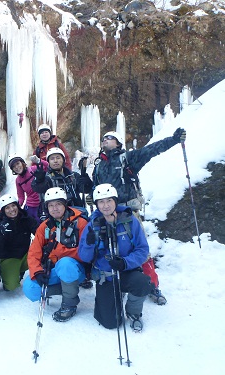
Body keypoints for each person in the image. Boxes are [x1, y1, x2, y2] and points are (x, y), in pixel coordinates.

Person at [91, 127, 186, 305]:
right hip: (105, 213)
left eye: (109, 137)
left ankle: (152, 285)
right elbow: (94, 189)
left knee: (141, 249)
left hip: (128, 212)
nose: (105, 140)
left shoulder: (128, 158)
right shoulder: (99, 166)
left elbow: (151, 150)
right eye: (103, 138)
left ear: (118, 142)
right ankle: (113, 281)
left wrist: (173, 140)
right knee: (106, 247)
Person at [79, 184, 154, 331]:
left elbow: (142, 249)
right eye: (101, 202)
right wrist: (89, 244)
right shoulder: (92, 226)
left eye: (109, 201)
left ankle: (133, 312)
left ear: (115, 201)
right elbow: (84, 257)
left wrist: (125, 262)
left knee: (142, 283)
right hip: (106, 276)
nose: (105, 205)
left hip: (127, 271)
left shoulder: (130, 221)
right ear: (96, 205)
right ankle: (113, 298)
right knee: (111, 323)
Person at [23, 187, 88, 322]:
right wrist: (37, 272)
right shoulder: (45, 226)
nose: (55, 208)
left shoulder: (80, 223)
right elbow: (34, 252)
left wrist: (61, 253)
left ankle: (69, 303)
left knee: (65, 264)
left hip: (75, 269)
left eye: (58, 204)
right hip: (54, 268)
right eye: (51, 205)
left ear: (65, 204)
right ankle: (68, 288)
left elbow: (87, 252)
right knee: (30, 288)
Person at [0, 194, 39, 291]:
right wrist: (0, 233)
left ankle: (21, 270)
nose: (12, 209)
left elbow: (38, 232)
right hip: (8, 257)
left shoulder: (25, 218)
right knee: (11, 287)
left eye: (13, 205)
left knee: (43, 255)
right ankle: (11, 271)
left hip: (25, 254)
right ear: (3, 210)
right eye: (7, 208)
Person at [8, 153, 48, 223]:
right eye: (14, 167)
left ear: (22, 163)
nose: (17, 167)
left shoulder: (33, 169)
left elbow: (48, 167)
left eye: (18, 163)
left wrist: (39, 161)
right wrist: (17, 206)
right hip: (30, 206)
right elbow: (21, 197)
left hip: (42, 203)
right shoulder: (18, 180)